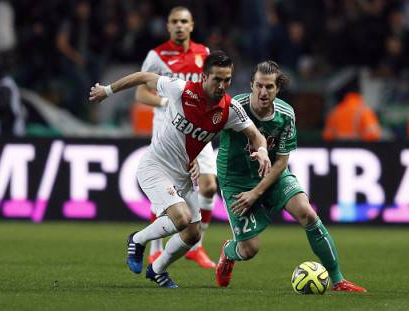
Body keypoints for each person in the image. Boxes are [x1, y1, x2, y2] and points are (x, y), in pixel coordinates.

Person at [89, 51, 271, 288]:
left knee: (193, 234)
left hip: (183, 175)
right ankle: (137, 239)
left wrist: (264, 151)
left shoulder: (229, 109)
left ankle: (157, 269)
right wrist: (107, 90)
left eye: (227, 79)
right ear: (204, 76)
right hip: (155, 166)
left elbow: (256, 136)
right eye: (217, 79)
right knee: (182, 218)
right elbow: (144, 77)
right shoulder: (181, 89)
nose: (222, 85)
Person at [215, 61, 367, 292]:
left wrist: (257, 193)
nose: (263, 92)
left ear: (277, 89)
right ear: (251, 85)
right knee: (249, 249)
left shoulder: (285, 114)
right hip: (236, 179)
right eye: (259, 86)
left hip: (273, 173)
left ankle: (338, 280)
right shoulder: (234, 107)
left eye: (269, 87)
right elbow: (205, 129)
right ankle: (228, 250)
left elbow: (282, 161)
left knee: (307, 212)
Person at [135, 6, 217, 268]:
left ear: (192, 25)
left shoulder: (204, 54)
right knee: (166, 189)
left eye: (184, 21)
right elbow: (141, 94)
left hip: (198, 129)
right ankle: (155, 250)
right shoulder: (156, 56)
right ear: (168, 26)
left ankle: (196, 246)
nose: (180, 25)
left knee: (209, 186)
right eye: (174, 21)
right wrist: (166, 101)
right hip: (168, 129)